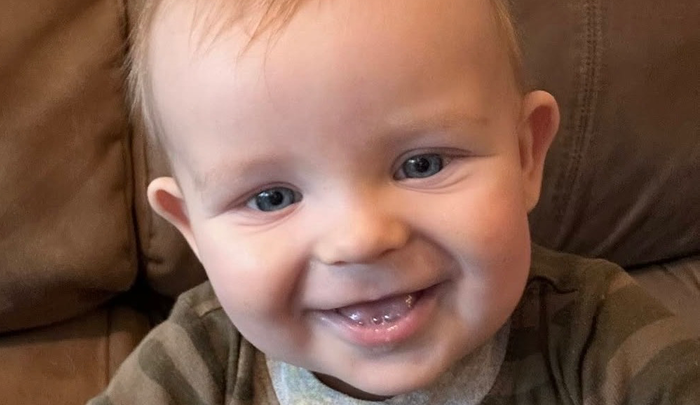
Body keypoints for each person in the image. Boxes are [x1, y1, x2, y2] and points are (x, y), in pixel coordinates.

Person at [89, 0, 700, 403]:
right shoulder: (198, 364)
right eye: (272, 197)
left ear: (525, 156)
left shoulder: (595, 333)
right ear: (192, 230)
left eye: (421, 164)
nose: (360, 239)